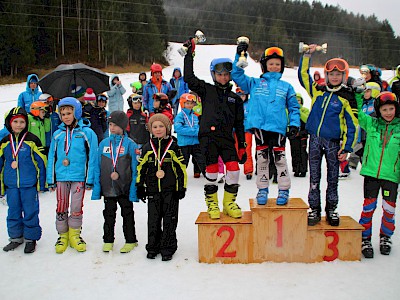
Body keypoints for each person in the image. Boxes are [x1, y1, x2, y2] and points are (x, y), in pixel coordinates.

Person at [184, 38, 246, 220]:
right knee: (211, 172)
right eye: (220, 74)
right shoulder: (206, 89)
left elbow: (240, 124)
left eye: (227, 74)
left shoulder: (235, 99)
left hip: (226, 139)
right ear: (213, 75)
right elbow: (189, 79)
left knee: (234, 171)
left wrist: (242, 145)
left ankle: (229, 202)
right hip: (208, 138)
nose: (224, 77)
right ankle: (212, 204)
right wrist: (190, 55)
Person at [232, 45, 300, 206]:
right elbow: (236, 74)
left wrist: (294, 124)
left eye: (277, 64)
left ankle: (284, 190)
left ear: (281, 67)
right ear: (265, 65)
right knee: (262, 161)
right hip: (260, 129)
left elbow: (294, 107)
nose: (274, 67)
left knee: (280, 161)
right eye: (271, 64)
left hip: (278, 129)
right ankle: (262, 189)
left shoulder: (286, 86)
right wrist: (239, 55)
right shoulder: (254, 83)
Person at [298, 44, 358, 226]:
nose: (334, 77)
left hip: (333, 143)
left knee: (333, 178)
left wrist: (347, 147)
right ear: (326, 75)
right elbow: (303, 77)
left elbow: (352, 125)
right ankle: (314, 209)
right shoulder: (318, 90)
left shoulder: (347, 96)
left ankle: (331, 209)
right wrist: (307, 55)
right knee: (314, 177)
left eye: (338, 74)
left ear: (344, 76)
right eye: (331, 74)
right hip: (315, 140)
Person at [47, 97, 98, 253]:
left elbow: (92, 157)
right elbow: (51, 157)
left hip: (79, 177)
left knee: (76, 207)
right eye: (63, 114)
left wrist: (90, 179)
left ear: (77, 112)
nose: (66, 117)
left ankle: (75, 234)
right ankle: (63, 235)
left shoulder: (86, 133)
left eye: (69, 113)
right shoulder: (57, 134)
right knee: (61, 206)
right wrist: (51, 179)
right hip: (61, 176)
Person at [136, 114, 187, 261]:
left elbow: (181, 169)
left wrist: (181, 187)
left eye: (161, 126)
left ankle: (168, 248)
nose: (158, 129)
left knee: (170, 220)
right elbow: (141, 168)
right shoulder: (147, 148)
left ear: (167, 128)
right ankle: (153, 247)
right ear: (150, 129)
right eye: (155, 126)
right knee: (153, 220)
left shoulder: (174, 147)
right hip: (153, 190)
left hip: (170, 191)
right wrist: (140, 186)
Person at [357, 91, 399, 258]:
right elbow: (359, 114)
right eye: (384, 110)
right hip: (371, 174)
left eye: (391, 109)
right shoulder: (372, 124)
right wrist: (360, 96)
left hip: (391, 176)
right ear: (378, 111)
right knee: (368, 207)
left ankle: (385, 237)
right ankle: (365, 237)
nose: (388, 113)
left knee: (389, 209)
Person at [92, 111, 140, 253]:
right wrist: (97, 188)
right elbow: (97, 166)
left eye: (115, 125)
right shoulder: (103, 144)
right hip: (108, 188)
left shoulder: (130, 145)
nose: (112, 128)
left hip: (124, 188)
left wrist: (133, 191)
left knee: (127, 214)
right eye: (110, 124)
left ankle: (131, 240)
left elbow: (135, 169)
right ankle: (108, 240)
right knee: (108, 215)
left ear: (123, 126)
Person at [0, 107, 46, 253]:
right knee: (13, 211)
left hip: (29, 184)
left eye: (22, 122)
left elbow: (41, 163)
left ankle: (31, 238)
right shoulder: (5, 142)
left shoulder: (32, 140)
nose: (19, 125)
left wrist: (41, 182)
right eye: (16, 122)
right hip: (11, 185)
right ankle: (15, 237)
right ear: (9, 123)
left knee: (30, 211)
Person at [174, 93, 206, 177]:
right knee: (184, 161)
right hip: (184, 143)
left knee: (201, 159)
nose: (189, 105)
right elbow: (178, 129)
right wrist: (195, 132)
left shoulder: (195, 116)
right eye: (187, 103)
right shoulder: (180, 116)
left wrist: (199, 131)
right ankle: (179, 176)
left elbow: (200, 127)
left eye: (191, 103)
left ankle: (207, 175)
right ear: (182, 104)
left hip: (196, 142)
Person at [349, 82, 379, 169]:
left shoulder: (376, 105)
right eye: (364, 91)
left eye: (368, 91)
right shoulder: (363, 104)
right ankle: (352, 165)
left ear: (374, 91)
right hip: (360, 134)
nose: (365, 93)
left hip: (370, 136)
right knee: (357, 150)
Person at [235, 87, 254, 180]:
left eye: (243, 95)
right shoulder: (234, 103)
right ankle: (234, 170)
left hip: (247, 130)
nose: (242, 97)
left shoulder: (250, 104)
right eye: (240, 96)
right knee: (235, 150)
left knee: (247, 149)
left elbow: (251, 116)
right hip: (236, 131)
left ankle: (248, 170)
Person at [289, 93, 309, 177]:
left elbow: (306, 119)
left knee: (303, 152)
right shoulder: (290, 110)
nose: (297, 102)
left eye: (299, 100)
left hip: (303, 134)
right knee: (294, 152)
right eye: (295, 100)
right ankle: (296, 169)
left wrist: (299, 111)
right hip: (293, 135)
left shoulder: (305, 110)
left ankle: (303, 169)